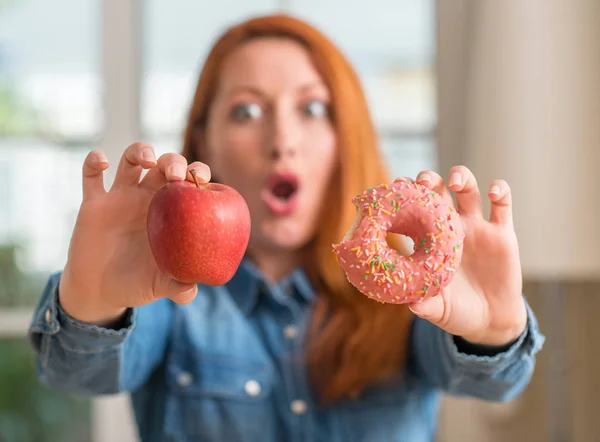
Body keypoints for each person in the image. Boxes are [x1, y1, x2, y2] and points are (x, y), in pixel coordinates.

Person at [28, 13, 544, 442]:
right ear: (204, 142)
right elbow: (79, 373)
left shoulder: (407, 294)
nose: (282, 139)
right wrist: (90, 305)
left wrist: (496, 336)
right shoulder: (167, 289)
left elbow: (489, 387)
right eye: (247, 111)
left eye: (313, 108)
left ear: (346, 137)